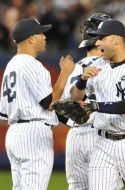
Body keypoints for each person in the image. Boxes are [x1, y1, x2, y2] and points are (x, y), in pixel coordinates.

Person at [69, 19, 125, 190]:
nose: (97, 42)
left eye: (102, 38)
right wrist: (81, 81)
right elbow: (75, 97)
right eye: (97, 38)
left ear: (117, 40)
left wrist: (96, 106)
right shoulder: (97, 66)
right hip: (102, 143)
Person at [0, 17, 75, 190]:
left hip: (14, 134)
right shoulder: (31, 64)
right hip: (33, 134)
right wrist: (64, 73)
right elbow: (49, 103)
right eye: (41, 33)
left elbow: (3, 114)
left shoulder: (11, 65)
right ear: (31, 39)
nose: (45, 37)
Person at [59, 13, 123, 190]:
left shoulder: (73, 68)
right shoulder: (112, 67)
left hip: (76, 136)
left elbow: (63, 108)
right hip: (102, 135)